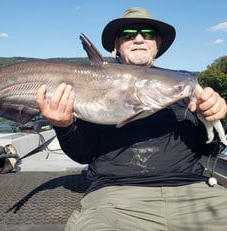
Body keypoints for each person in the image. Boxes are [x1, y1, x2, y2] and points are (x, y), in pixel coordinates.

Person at [36, 7, 227, 231]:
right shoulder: (95, 89)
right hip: (116, 200)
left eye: (147, 33)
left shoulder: (182, 86)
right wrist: (63, 126)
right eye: (128, 34)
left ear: (157, 44)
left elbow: (212, 150)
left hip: (194, 193)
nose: (138, 39)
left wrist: (212, 120)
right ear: (116, 45)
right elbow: (83, 154)